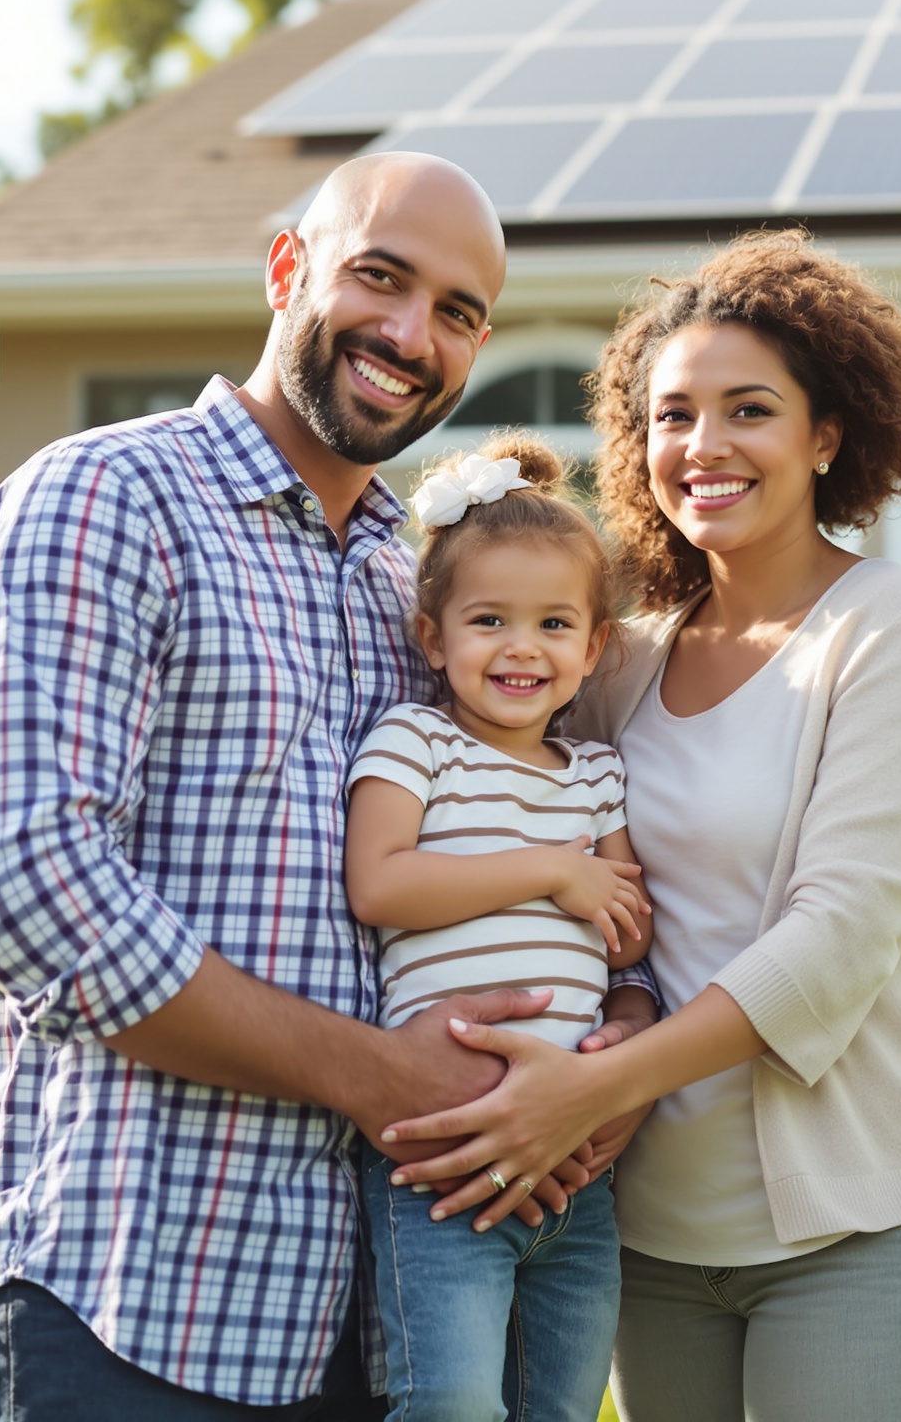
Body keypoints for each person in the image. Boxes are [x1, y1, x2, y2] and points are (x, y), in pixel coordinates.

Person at [0, 153, 584, 1421]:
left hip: (388, 1306)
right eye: (379, 277)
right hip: (133, 1294)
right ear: (288, 269)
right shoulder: (106, 498)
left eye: (457, 310)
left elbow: (536, 802)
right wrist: (377, 1075)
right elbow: (20, 885)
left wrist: (588, 1065)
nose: (410, 334)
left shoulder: (427, 582)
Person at [377, 229, 901, 1422]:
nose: (702, 446)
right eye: (670, 415)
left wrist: (584, 1093)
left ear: (827, 434)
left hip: (851, 1229)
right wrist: (591, 1038)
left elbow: (844, 932)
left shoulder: (900, 624)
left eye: (748, 408)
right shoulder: (614, 658)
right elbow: (599, 901)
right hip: (645, 1240)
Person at [344, 432, 653, 1422]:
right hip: (446, 1159)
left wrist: (621, 975)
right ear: (434, 637)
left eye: (555, 622)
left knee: (558, 1407)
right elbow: (380, 883)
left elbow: (629, 932)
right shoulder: (417, 738)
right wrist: (554, 869)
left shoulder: (598, 773)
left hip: (575, 1172)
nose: (523, 647)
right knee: (451, 1403)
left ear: (594, 647)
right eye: (489, 620)